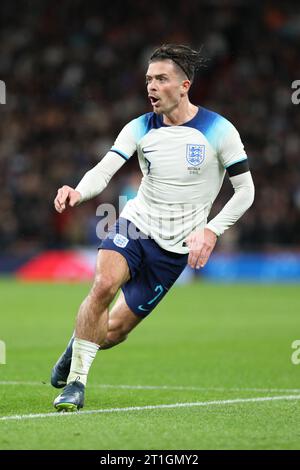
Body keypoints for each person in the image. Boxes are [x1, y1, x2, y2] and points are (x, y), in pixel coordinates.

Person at [52, 44, 255, 411]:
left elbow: (245, 192)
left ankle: (76, 345)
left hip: (173, 250)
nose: (152, 87)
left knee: (112, 332)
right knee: (102, 285)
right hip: (135, 225)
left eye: (161, 79)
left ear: (184, 85)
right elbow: (104, 169)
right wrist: (77, 191)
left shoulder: (219, 130)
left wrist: (211, 231)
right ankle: (76, 384)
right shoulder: (140, 127)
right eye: (148, 80)